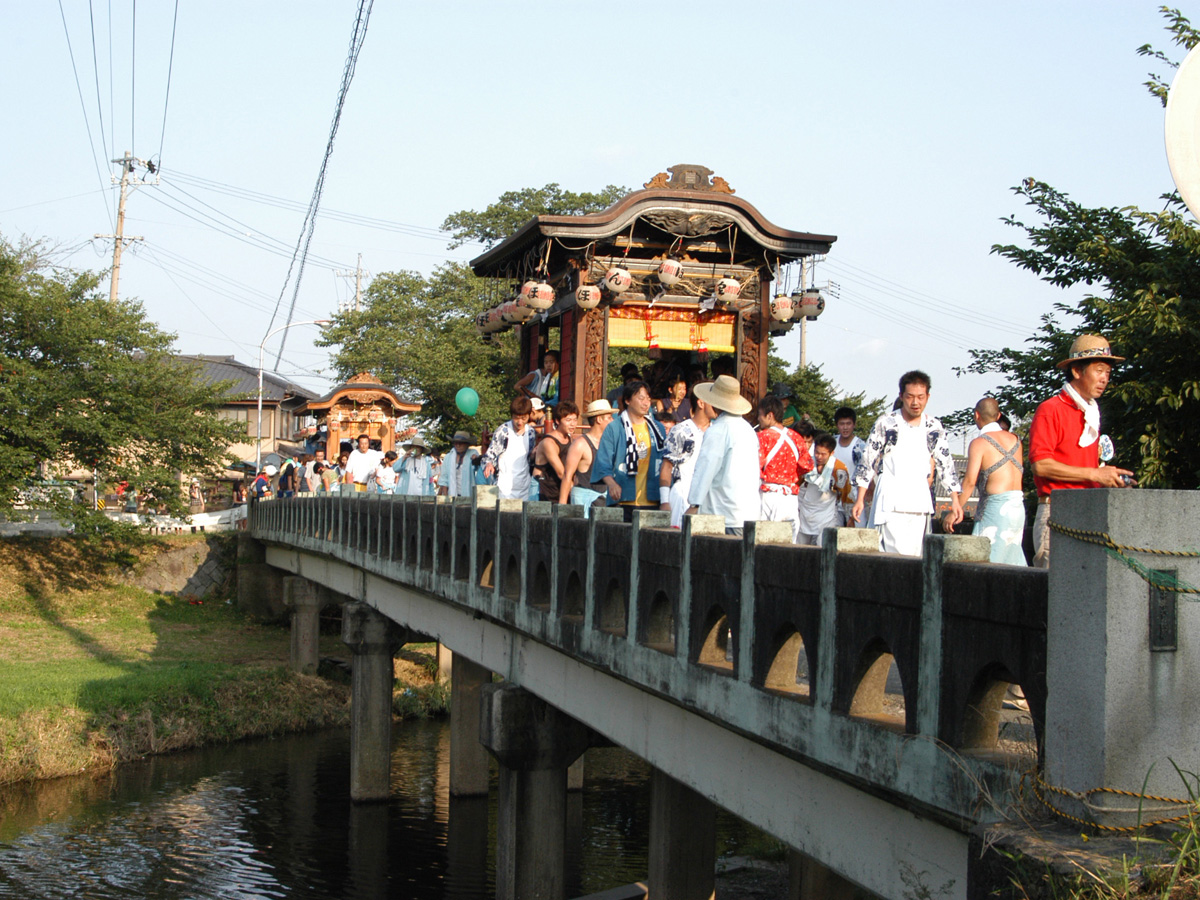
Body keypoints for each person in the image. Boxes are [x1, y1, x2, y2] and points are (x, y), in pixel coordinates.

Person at [1027, 335, 1135, 569]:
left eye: (1107, 372)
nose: (1105, 379)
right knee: (1053, 592)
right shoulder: (1051, 409)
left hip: (1088, 510)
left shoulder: (1090, 413)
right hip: (1057, 511)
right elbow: (1041, 465)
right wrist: (1095, 475)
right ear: (1077, 371)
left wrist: (1109, 479)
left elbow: (1088, 470)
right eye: (1098, 371)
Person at [851, 371, 963, 556]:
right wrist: (860, 499)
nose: (915, 402)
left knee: (917, 556)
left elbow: (945, 463)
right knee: (891, 555)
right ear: (902, 396)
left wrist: (955, 500)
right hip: (890, 500)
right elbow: (868, 460)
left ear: (928, 396)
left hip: (919, 501)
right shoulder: (886, 423)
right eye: (910, 397)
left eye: (920, 397)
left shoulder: (934, 426)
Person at [943, 398, 1027, 565]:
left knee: (985, 559)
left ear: (976, 415)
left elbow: (969, 482)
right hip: (1017, 507)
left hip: (995, 508)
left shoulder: (979, 443)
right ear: (999, 415)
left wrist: (955, 510)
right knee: (1012, 560)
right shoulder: (1016, 440)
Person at [686, 375, 760, 536]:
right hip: (749, 512)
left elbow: (706, 467)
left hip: (723, 514)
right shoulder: (748, 430)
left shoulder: (718, 430)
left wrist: (694, 503)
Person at [592, 381, 667, 510]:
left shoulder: (657, 428)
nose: (646, 403)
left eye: (648, 399)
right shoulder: (615, 428)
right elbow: (603, 462)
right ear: (627, 400)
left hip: (653, 499)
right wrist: (611, 484)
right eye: (641, 398)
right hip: (623, 499)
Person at [756, 394, 813, 539]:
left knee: (763, 543)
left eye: (760, 415)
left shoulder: (762, 437)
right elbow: (807, 465)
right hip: (790, 498)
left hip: (768, 495)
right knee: (788, 546)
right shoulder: (796, 438)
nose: (758, 419)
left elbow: (755, 466)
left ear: (770, 416)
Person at [658, 392, 712, 528]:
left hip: (709, 499)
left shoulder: (717, 431)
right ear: (701, 403)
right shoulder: (681, 430)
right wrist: (664, 501)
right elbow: (667, 466)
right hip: (683, 494)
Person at [558, 400, 617, 515]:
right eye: (609, 417)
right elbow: (567, 476)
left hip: (605, 498)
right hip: (585, 498)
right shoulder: (580, 444)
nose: (612, 420)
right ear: (599, 419)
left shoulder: (610, 443)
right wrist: (562, 508)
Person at [797, 433, 854, 546]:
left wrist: (850, 517)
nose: (819, 457)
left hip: (827, 514)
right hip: (805, 512)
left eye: (823, 454)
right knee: (800, 546)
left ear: (831, 453)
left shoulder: (839, 469)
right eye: (817, 453)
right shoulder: (806, 464)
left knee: (823, 545)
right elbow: (796, 485)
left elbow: (846, 495)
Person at [483, 396, 537, 500]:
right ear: (511, 415)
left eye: (523, 418)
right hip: (504, 484)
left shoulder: (531, 432)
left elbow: (530, 458)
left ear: (529, 416)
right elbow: (490, 455)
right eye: (516, 418)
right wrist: (489, 464)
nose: (519, 422)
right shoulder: (503, 431)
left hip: (524, 484)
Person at [534, 400, 578, 503]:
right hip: (542, 488)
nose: (572, 424)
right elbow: (561, 472)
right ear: (557, 421)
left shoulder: (569, 438)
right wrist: (575, 491)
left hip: (559, 487)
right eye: (568, 420)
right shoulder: (549, 442)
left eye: (575, 420)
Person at [831, 406, 867, 525]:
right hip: (834, 499)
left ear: (854, 425)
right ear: (837, 425)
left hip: (854, 499)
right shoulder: (832, 443)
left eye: (848, 424)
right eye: (842, 424)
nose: (845, 427)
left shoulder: (860, 447)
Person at [439, 431, 479, 499]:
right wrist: (446, 498)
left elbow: (477, 469)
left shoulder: (472, 455)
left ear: (467, 444)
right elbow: (444, 478)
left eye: (461, 443)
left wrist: (475, 459)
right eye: (456, 443)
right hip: (453, 494)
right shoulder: (448, 457)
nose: (458, 445)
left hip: (469, 494)